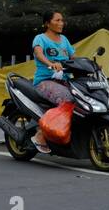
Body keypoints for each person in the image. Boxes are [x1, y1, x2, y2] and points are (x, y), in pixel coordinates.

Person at [29, 10, 75, 153]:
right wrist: (50, 63)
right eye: (57, 20)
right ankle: (40, 135)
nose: (61, 23)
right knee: (66, 99)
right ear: (47, 23)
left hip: (64, 81)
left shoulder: (64, 40)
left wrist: (90, 67)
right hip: (45, 81)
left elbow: (74, 59)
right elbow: (38, 53)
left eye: (62, 20)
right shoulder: (40, 39)